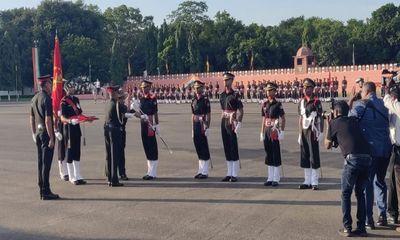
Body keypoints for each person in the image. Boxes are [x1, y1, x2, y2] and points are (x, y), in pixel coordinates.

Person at [325, 100, 371, 237]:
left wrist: (329, 126)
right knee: (360, 193)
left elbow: (327, 145)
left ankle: (347, 227)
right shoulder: (353, 120)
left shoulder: (334, 123)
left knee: (345, 193)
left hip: (353, 160)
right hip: (367, 158)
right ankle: (361, 228)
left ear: (337, 112)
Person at [349, 81, 391, 229]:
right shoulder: (384, 104)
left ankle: (369, 219)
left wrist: (351, 102)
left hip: (370, 151)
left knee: (367, 184)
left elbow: (349, 119)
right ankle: (383, 215)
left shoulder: (361, 105)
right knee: (380, 182)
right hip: (385, 149)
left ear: (365, 91)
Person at [30, 75, 59, 200]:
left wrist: (33, 133)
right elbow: (48, 120)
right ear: (46, 84)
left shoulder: (35, 98)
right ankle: (46, 191)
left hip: (38, 132)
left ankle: (41, 188)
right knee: (46, 163)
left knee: (40, 162)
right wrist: (52, 138)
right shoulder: (46, 98)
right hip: (46, 133)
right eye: (50, 83)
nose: (51, 85)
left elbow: (31, 118)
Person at [298, 78, 324, 190]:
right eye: (304, 88)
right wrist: (299, 133)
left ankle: (314, 181)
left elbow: (321, 118)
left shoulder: (316, 102)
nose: (305, 90)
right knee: (305, 156)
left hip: (313, 132)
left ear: (312, 89)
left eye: (308, 88)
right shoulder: (301, 102)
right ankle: (307, 180)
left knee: (314, 156)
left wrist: (322, 132)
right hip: (304, 131)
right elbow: (300, 118)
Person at [60, 81, 87, 185]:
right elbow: (62, 118)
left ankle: (78, 175)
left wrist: (86, 119)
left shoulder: (76, 99)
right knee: (70, 152)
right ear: (66, 89)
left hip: (77, 128)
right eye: (70, 88)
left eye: (73, 87)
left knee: (77, 152)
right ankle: (71, 176)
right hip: (69, 129)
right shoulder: (64, 101)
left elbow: (79, 112)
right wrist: (70, 121)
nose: (73, 89)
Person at [133, 80, 160, 180]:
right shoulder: (141, 99)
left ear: (149, 88)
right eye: (142, 88)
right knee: (146, 146)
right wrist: (135, 111)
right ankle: (150, 171)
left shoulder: (152, 98)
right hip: (143, 124)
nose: (143, 89)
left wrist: (157, 125)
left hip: (150, 124)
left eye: (145, 87)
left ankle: (153, 172)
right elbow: (139, 113)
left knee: (152, 146)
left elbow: (155, 112)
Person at [220, 72, 244, 182]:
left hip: (232, 121)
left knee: (233, 145)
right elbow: (222, 109)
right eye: (224, 80)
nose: (225, 82)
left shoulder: (235, 95)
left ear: (231, 81)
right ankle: (228, 172)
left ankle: (234, 173)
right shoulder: (222, 95)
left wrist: (239, 122)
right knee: (226, 145)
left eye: (227, 80)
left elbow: (240, 110)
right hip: (224, 120)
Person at [260, 82, 285, 186]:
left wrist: (282, 131)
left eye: (270, 90)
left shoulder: (278, 104)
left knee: (275, 152)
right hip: (266, 129)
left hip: (274, 129)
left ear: (275, 91)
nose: (268, 92)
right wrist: (261, 131)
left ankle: (276, 178)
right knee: (268, 153)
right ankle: (270, 177)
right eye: (267, 90)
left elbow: (283, 118)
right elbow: (263, 118)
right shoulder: (265, 104)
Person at [383, 80, 400, 232]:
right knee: (393, 183)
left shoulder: (397, 106)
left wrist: (388, 90)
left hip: (399, 149)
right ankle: (392, 212)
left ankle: (394, 213)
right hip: (396, 148)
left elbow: (387, 101)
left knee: (396, 184)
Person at [104, 86, 127, 187]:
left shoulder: (109, 103)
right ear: (114, 94)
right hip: (115, 131)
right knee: (115, 155)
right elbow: (126, 111)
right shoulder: (117, 104)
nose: (119, 94)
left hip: (107, 129)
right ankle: (114, 179)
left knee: (109, 154)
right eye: (118, 93)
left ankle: (109, 177)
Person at [191, 80, 211, 179]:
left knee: (204, 146)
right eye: (195, 88)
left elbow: (208, 114)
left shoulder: (205, 100)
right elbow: (193, 114)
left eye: (199, 87)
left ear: (202, 88)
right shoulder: (193, 100)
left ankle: (205, 171)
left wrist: (208, 126)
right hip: (196, 125)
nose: (197, 89)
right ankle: (200, 170)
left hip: (203, 124)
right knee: (198, 146)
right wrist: (192, 128)